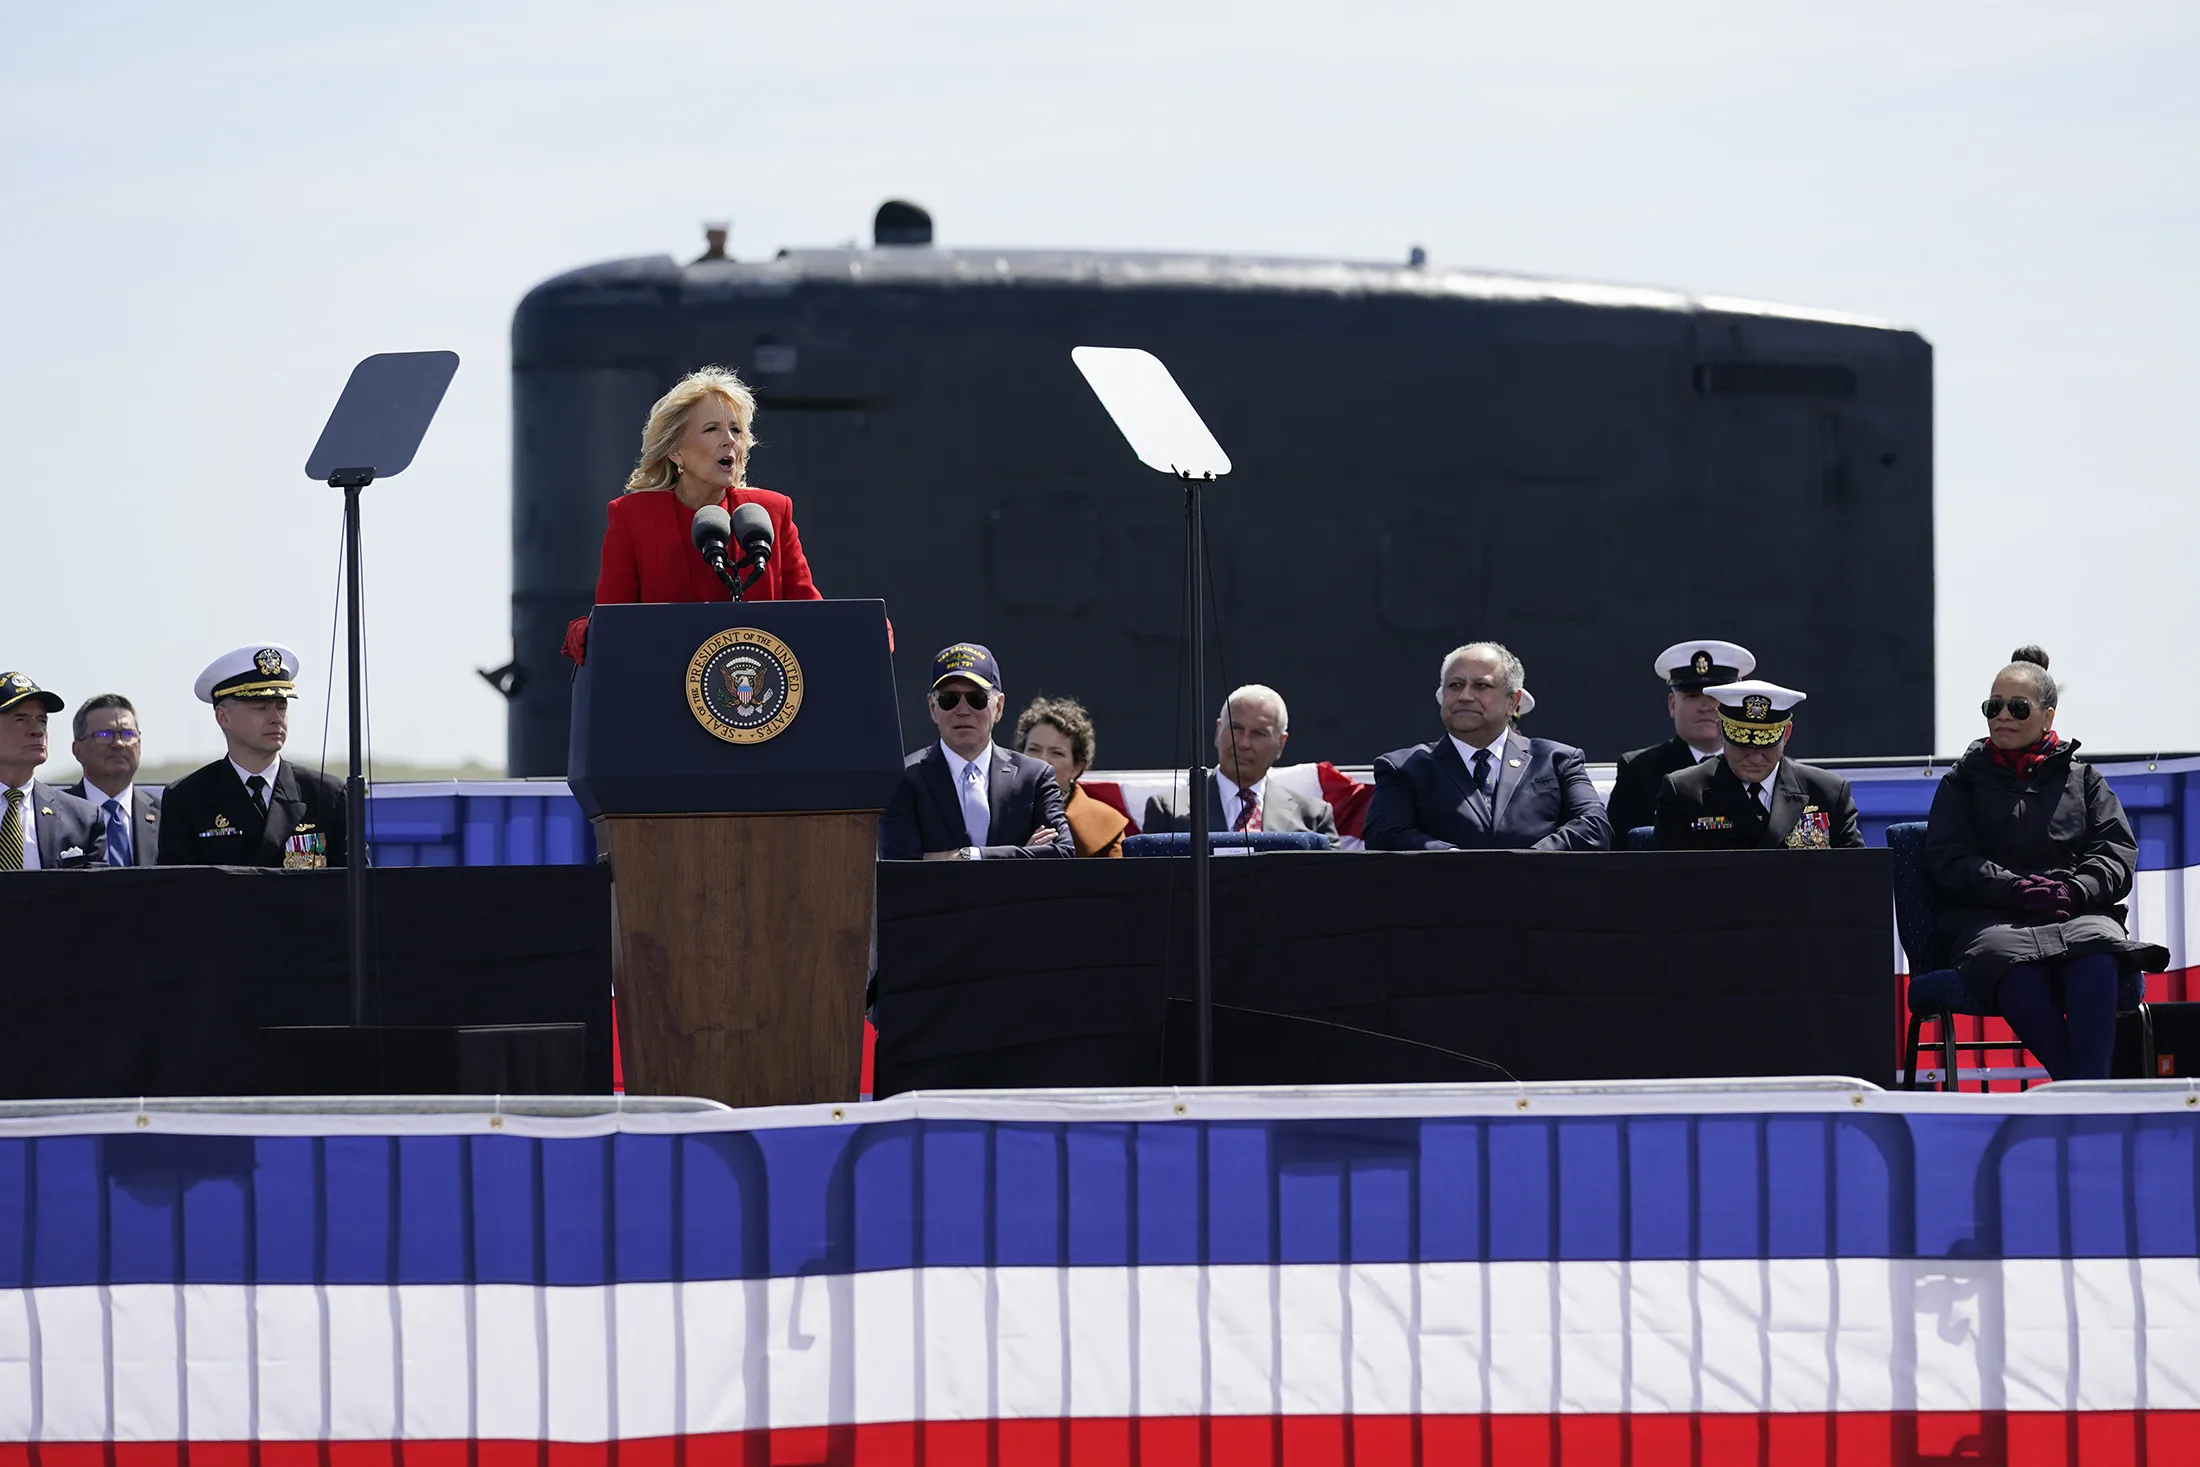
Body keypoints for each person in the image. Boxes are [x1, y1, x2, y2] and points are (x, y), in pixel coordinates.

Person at [1924, 646, 2166, 1081]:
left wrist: (2075, 890)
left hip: (2076, 913)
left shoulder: (2084, 779)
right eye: (1992, 707)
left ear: (2048, 717)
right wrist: (2012, 889)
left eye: (2017, 707)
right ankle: (2084, 1090)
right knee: (2010, 964)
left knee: (2098, 947)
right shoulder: (1961, 783)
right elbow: (1950, 859)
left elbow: (2115, 853)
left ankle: (2084, 1089)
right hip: (1992, 921)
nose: (2002, 716)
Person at [561, 365, 820, 663]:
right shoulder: (632, 518)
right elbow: (614, 623)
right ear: (675, 451)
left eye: (735, 430)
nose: (730, 441)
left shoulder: (771, 513)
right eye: (712, 429)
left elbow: (811, 614)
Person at [1364, 643, 1610, 851]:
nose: (1465, 696)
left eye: (1481, 685)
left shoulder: (1557, 760)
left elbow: (1594, 826)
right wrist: (1455, 860)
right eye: (1455, 685)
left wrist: (1529, 861)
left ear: (1512, 702)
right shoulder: (1403, 768)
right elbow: (1383, 834)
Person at [157, 645, 348, 868]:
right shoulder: (187, 798)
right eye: (261, 707)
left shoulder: (327, 795)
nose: (276, 718)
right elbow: (176, 892)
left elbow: (354, 891)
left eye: (281, 706)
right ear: (223, 717)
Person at [879, 643, 1072, 860]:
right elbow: (898, 866)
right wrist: (1024, 855)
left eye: (976, 699)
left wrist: (968, 856)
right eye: (948, 699)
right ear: (933, 709)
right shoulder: (904, 778)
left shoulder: (1035, 777)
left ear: (998, 707)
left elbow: (1062, 853)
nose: (962, 710)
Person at [1652, 679, 1863, 850]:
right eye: (1742, 745)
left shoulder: (1828, 793)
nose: (1755, 757)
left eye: (1766, 745)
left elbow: (1856, 877)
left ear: (1786, 734)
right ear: (1721, 731)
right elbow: (1668, 881)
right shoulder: (1684, 792)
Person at [1605, 640, 1758, 839]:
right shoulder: (1639, 770)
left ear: (1735, 705)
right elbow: (1619, 848)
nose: (1705, 707)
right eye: (1692, 696)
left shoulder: (1763, 765)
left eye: (1714, 696)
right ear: (1672, 705)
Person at [1141, 684, 1337, 839]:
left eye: (1259, 734)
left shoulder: (1313, 818)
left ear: (1281, 743)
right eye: (1235, 728)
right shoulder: (1168, 811)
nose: (1243, 743)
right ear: (1218, 731)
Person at [0, 672, 103, 869]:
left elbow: (95, 897)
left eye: (42, 720)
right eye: (20, 719)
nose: (37, 730)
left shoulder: (84, 819)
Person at [1015, 695, 1128, 857]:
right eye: (1034, 749)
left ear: (1077, 767)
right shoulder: (992, 808)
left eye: (1057, 753)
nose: (1042, 761)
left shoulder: (1105, 825)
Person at [65, 693, 160, 867]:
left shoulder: (165, 814)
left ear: (139, 744)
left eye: (127, 734)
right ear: (78, 750)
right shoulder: (58, 815)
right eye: (103, 734)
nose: (118, 743)